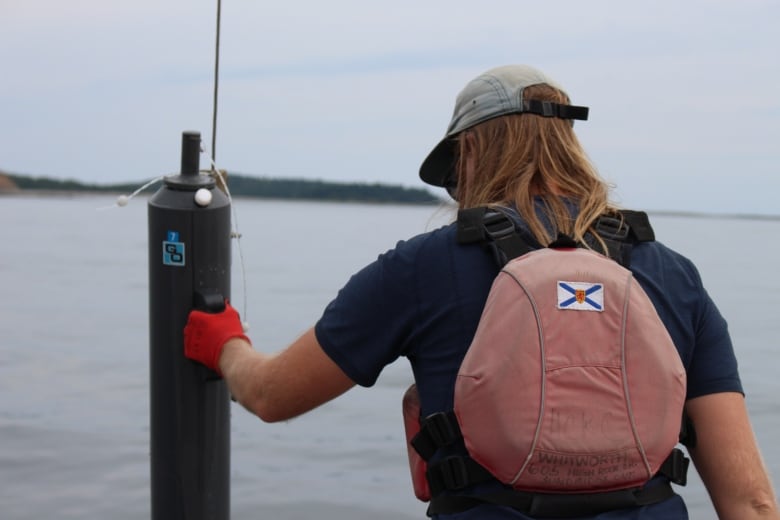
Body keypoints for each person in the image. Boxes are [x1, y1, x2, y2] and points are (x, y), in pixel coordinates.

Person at [183, 64, 779, 519]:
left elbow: (272, 395)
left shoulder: (422, 268)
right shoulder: (672, 275)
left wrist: (224, 344)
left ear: (468, 153)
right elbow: (750, 503)